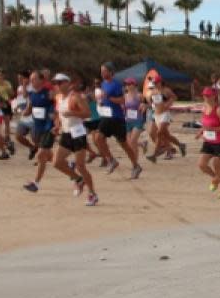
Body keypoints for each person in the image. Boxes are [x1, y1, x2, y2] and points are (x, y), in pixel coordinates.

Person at [50, 73, 99, 206]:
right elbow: (59, 115)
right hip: (66, 133)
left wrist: (72, 113)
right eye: (56, 83)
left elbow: (87, 113)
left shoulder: (75, 97)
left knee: (80, 166)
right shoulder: (58, 97)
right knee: (57, 162)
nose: (57, 86)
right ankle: (78, 179)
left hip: (78, 133)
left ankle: (92, 194)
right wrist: (57, 126)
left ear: (68, 83)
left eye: (60, 83)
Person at [95, 62, 144, 178]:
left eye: (104, 71)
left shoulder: (116, 85)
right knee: (98, 138)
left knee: (124, 145)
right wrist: (101, 101)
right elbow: (105, 98)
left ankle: (135, 165)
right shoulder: (103, 84)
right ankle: (111, 160)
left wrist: (109, 98)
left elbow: (122, 101)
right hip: (107, 116)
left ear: (110, 72)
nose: (102, 73)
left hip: (117, 118)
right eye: (101, 71)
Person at [22, 71, 58, 192]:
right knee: (47, 156)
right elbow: (29, 109)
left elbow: (58, 103)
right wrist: (24, 112)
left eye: (34, 79)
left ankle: (36, 183)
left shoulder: (48, 93)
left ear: (42, 81)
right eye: (31, 79)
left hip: (49, 128)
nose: (32, 81)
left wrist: (54, 115)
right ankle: (69, 167)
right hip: (38, 128)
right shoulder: (32, 94)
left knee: (41, 155)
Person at [196, 87, 220, 198]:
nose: (205, 97)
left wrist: (211, 129)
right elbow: (205, 124)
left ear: (214, 96)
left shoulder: (219, 110)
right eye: (204, 95)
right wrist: (201, 131)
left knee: (217, 165)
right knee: (202, 165)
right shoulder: (204, 108)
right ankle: (216, 178)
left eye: (208, 95)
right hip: (208, 141)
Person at [145, 74, 186, 164]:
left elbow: (174, 97)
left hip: (165, 114)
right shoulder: (153, 91)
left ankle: (155, 155)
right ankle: (180, 145)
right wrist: (149, 104)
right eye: (154, 83)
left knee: (159, 133)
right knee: (165, 135)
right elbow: (150, 102)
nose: (155, 84)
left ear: (160, 82)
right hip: (156, 115)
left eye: (157, 82)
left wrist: (168, 103)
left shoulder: (166, 90)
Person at [124, 78, 148, 160]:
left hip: (138, 121)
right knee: (129, 143)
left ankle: (135, 163)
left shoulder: (139, 95)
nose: (127, 86)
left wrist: (144, 106)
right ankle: (142, 144)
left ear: (134, 85)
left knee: (133, 141)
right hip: (127, 121)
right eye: (126, 84)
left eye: (129, 84)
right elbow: (123, 108)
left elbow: (147, 104)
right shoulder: (125, 96)